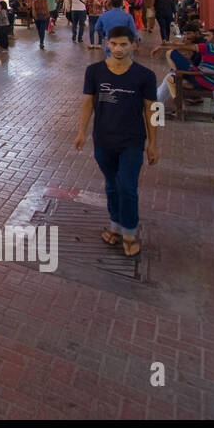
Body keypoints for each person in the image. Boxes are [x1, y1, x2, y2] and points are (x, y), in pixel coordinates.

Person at [74, 27, 159, 258]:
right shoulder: (94, 72)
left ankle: (130, 232)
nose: (119, 49)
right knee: (112, 185)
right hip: (103, 139)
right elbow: (88, 103)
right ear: (107, 45)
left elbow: (153, 109)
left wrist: (153, 142)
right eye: (114, 44)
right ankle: (116, 226)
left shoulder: (145, 76)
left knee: (127, 187)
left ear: (133, 45)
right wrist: (81, 132)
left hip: (132, 140)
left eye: (124, 44)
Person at [155, 22, 214, 92]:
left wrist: (163, 47)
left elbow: (184, 47)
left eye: (208, 36)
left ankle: (178, 98)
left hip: (203, 79)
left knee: (171, 54)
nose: (206, 38)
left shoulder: (210, 47)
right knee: (171, 77)